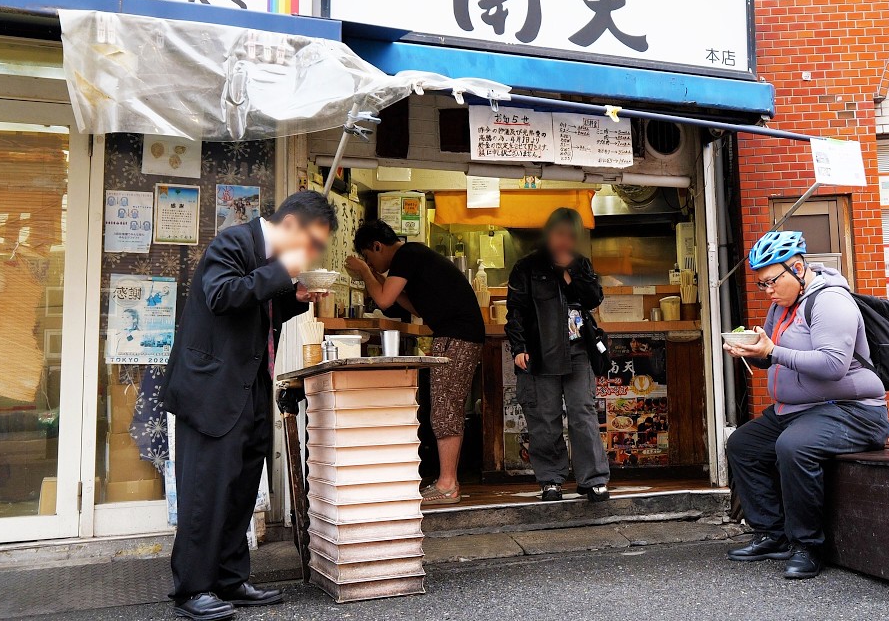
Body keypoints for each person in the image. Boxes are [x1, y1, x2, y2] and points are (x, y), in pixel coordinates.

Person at [162, 191, 337, 620]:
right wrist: (283, 273)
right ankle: (193, 589)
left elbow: (258, 310)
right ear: (292, 225)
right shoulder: (233, 243)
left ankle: (229, 578)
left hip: (248, 387)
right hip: (211, 390)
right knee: (206, 489)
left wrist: (295, 299)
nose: (312, 252)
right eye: (312, 242)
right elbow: (222, 295)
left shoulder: (264, 256)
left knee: (240, 489)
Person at [723, 231, 889, 580]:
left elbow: (833, 365)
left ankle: (807, 545)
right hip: (798, 409)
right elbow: (773, 357)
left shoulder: (830, 302)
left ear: (797, 268)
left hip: (853, 409)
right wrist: (753, 351)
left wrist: (772, 352)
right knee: (743, 444)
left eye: (771, 282)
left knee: (793, 447)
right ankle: (773, 533)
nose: (767, 291)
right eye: (761, 284)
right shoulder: (781, 307)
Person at [345, 220, 485, 506]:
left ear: (377, 246)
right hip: (458, 335)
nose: (371, 263)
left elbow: (384, 301)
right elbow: (410, 304)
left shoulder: (406, 255)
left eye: (370, 256)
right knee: (448, 406)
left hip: (456, 337)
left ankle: (447, 485)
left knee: (445, 407)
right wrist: (373, 273)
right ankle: (449, 482)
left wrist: (364, 271)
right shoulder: (414, 257)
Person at [504, 208, 611, 503]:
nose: (564, 239)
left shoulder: (580, 264)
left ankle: (593, 479)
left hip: (578, 351)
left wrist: (571, 271)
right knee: (545, 417)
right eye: (559, 233)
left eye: (570, 234)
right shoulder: (527, 267)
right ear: (548, 233)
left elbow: (593, 298)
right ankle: (551, 479)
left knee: (582, 413)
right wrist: (519, 347)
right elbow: (515, 311)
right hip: (540, 352)